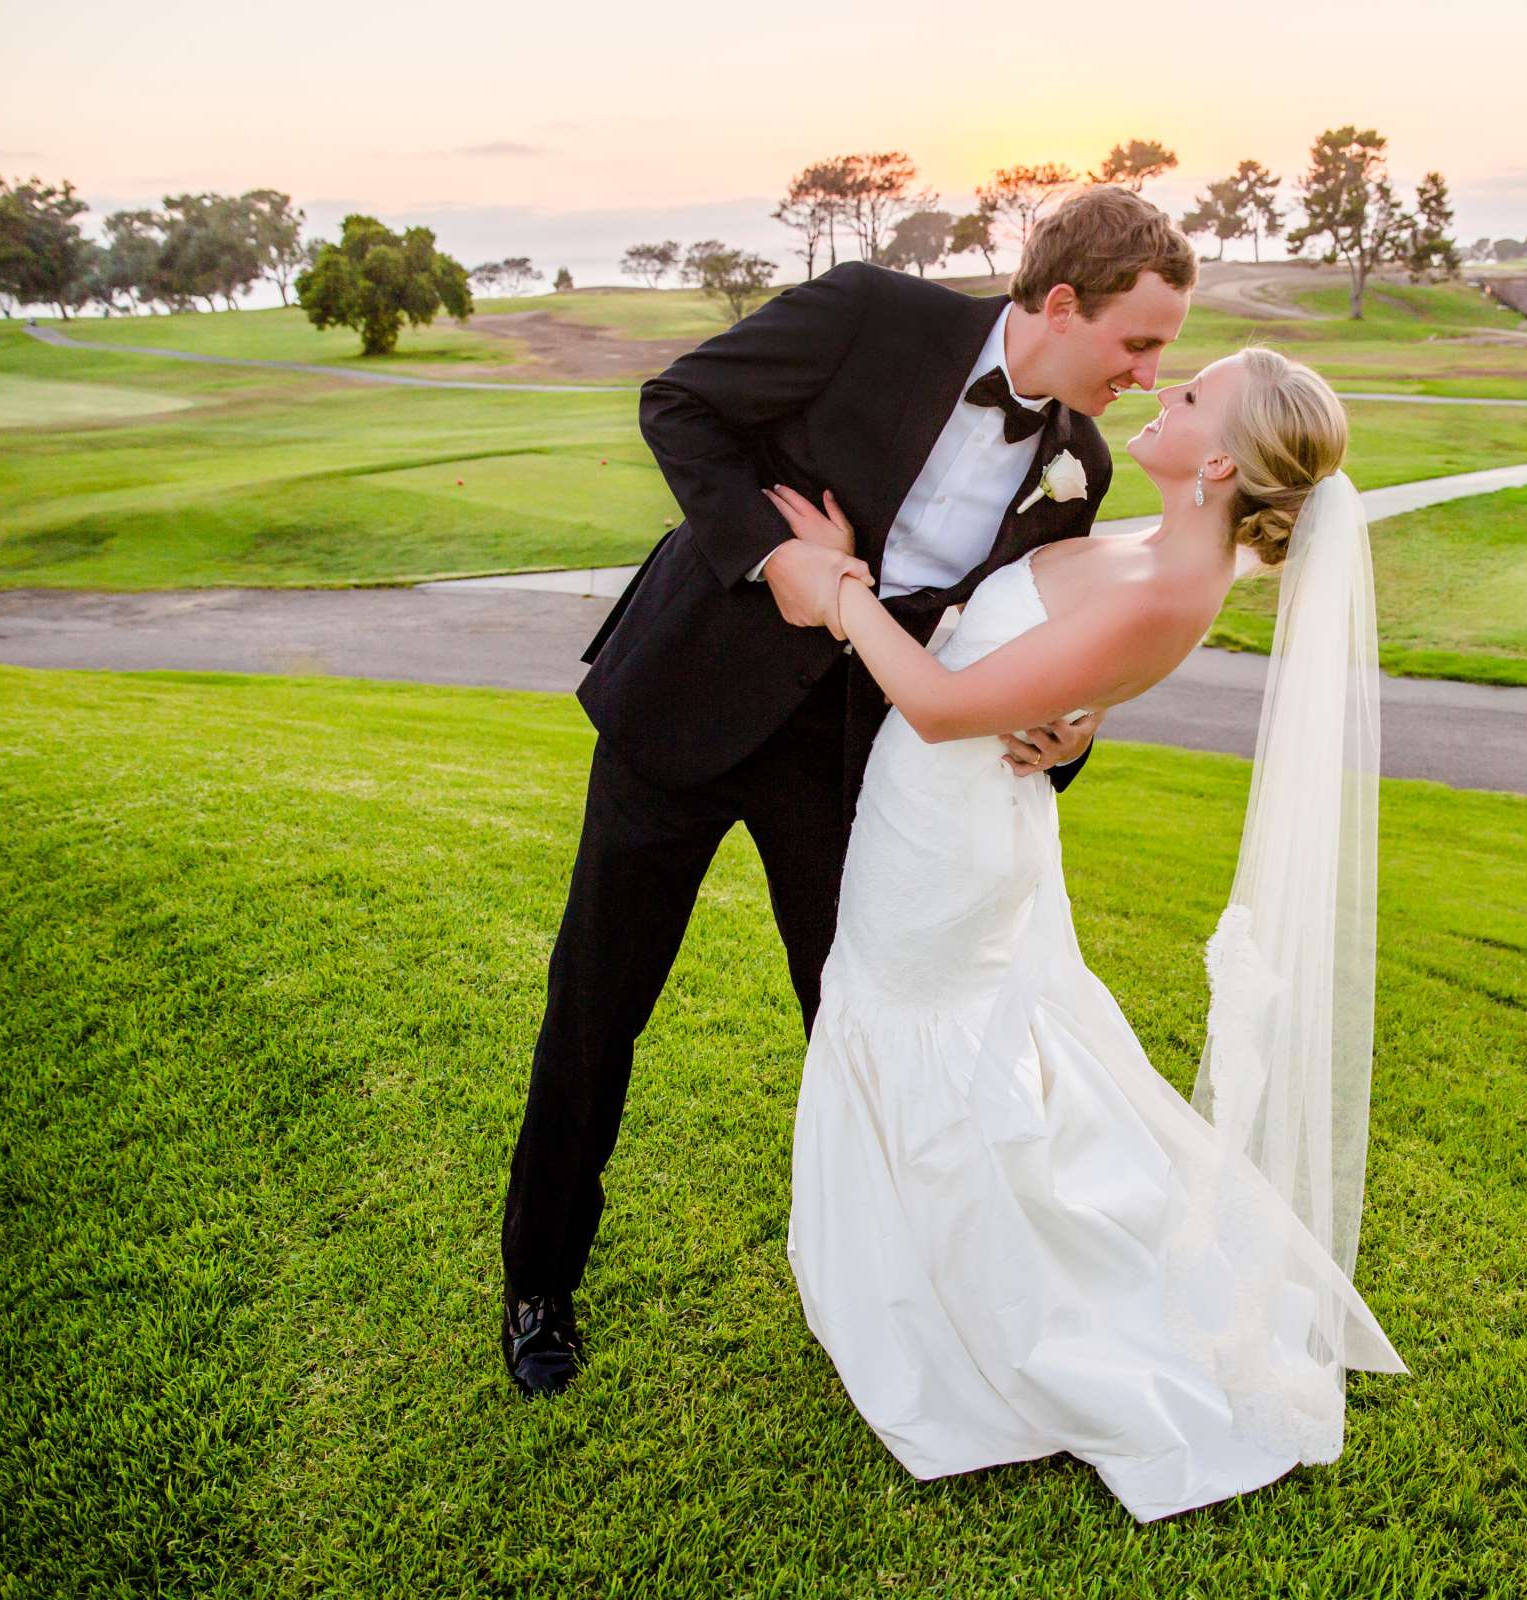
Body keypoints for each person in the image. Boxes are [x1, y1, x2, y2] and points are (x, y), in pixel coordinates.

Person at [499, 188, 1199, 1396]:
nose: (1147, 372)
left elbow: (1025, 641)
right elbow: (680, 405)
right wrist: (778, 560)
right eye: (1139, 344)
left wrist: (1070, 734)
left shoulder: (1080, 464)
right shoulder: (873, 313)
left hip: (860, 760)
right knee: (596, 1001)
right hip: (687, 699)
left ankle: (902, 1291)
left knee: (863, 1023)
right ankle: (538, 1284)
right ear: (1067, 304)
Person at [770, 345, 1404, 1522]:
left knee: (921, 1034)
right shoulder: (1152, 545)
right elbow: (1045, 670)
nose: (1167, 392)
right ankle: (927, 1266)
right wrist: (1078, 715)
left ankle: (984, 1310)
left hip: (946, 829)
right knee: (928, 1029)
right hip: (944, 812)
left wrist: (834, 588)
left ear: (1217, 459)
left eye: (1194, 392)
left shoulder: (1174, 585)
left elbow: (948, 704)